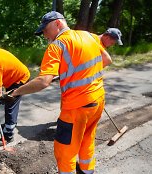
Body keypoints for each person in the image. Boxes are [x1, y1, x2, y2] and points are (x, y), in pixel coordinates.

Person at [10, 11, 112, 173]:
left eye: (45, 30)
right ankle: (87, 171)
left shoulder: (58, 45)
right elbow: (106, 60)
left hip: (76, 108)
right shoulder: (88, 36)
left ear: (57, 24)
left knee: (65, 152)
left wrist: (15, 92)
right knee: (87, 140)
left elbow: (43, 81)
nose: (44, 35)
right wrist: (75, 74)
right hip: (98, 100)